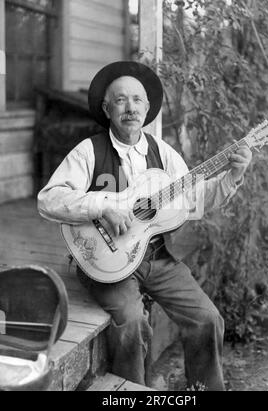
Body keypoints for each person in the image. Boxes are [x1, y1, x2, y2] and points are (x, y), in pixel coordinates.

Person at [37, 61, 252, 391]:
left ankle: (205, 389)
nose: (130, 107)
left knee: (207, 318)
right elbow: (49, 199)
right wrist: (103, 204)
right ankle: (131, 393)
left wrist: (233, 175)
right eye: (120, 100)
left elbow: (196, 200)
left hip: (157, 257)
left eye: (137, 100)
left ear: (147, 108)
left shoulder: (163, 154)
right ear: (107, 109)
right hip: (104, 259)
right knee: (132, 323)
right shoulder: (89, 151)